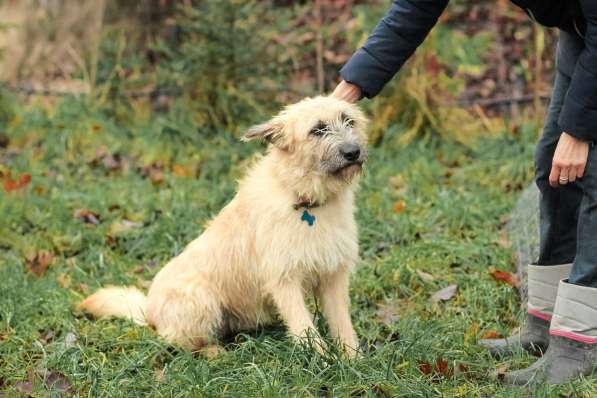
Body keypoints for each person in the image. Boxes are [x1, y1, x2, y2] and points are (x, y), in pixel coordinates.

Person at [331, 0, 597, 386]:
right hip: (582, 28)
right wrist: (346, 91)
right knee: (552, 165)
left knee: (590, 170)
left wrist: (579, 132)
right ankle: (547, 325)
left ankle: (579, 343)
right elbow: (413, 10)